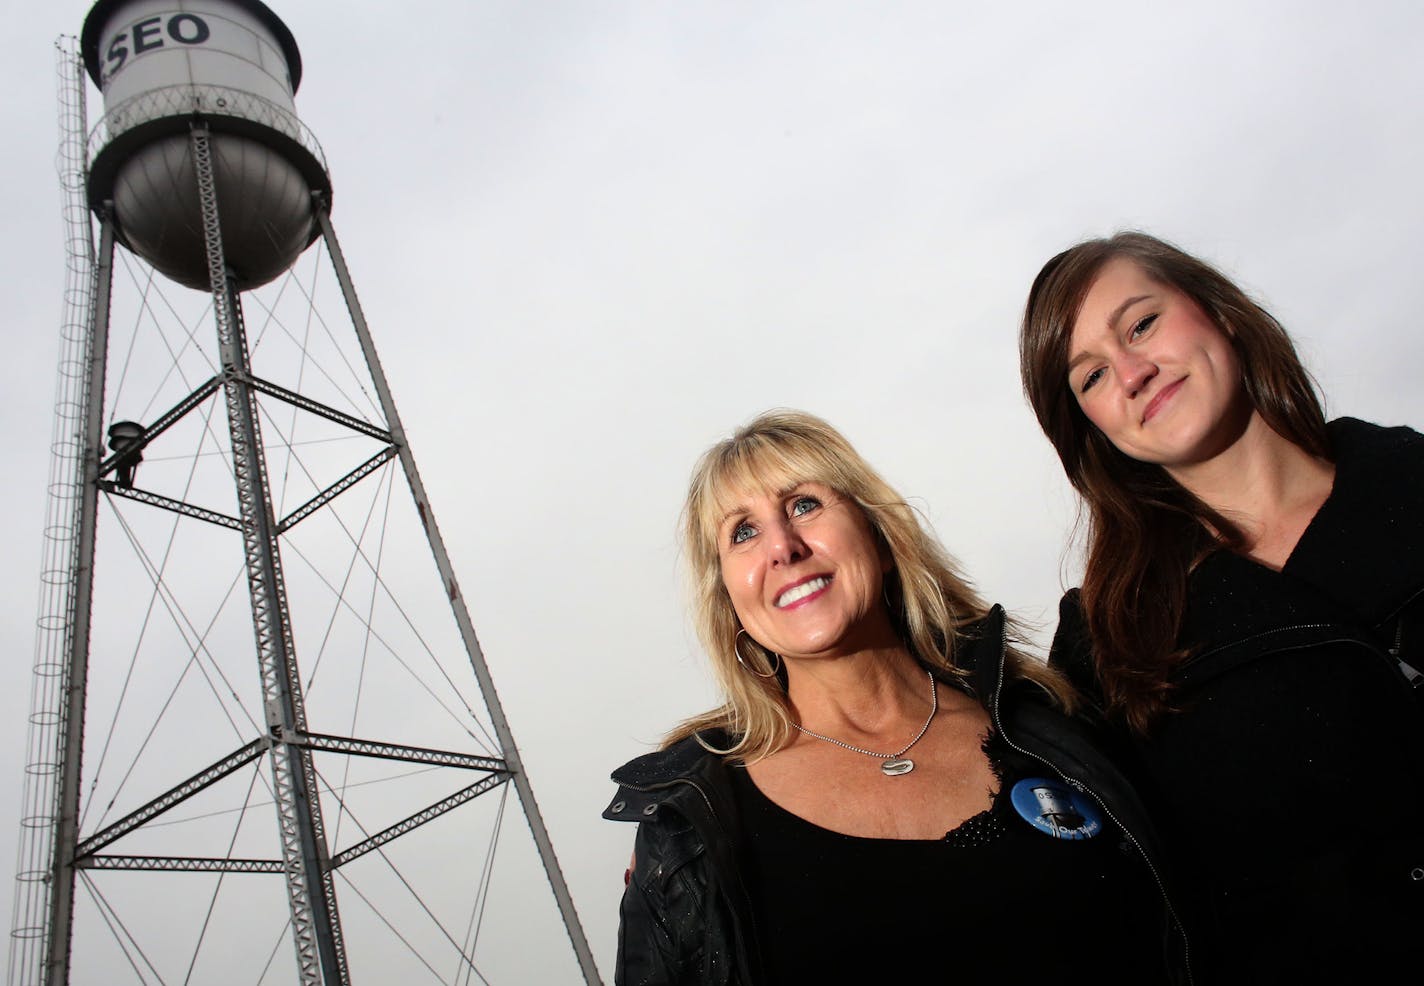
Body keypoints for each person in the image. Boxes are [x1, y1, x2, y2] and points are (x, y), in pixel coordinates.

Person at [604, 410, 1185, 985]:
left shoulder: (1045, 721)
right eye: (743, 532)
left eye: (804, 505)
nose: (781, 547)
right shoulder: (691, 828)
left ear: (879, 539)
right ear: (730, 601)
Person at [1019, 231, 1424, 983]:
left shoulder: (1412, 482)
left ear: (1220, 313)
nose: (1134, 373)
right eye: (1093, 376)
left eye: (1141, 324)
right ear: (1092, 431)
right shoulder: (1109, 646)